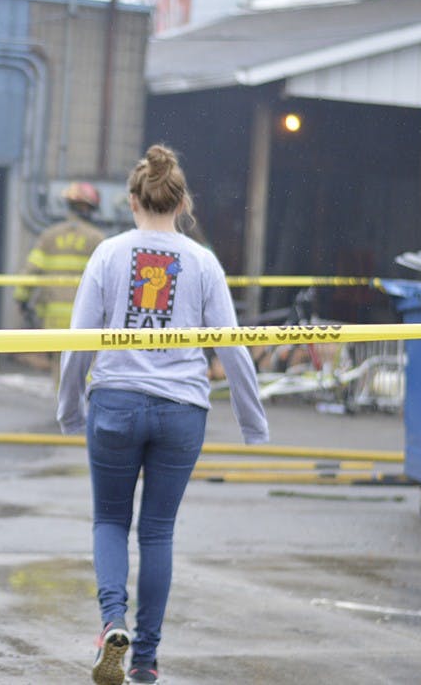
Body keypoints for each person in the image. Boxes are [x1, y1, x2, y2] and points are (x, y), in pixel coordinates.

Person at [57, 144, 268, 685]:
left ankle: (112, 624)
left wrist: (70, 408)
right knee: (157, 533)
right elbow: (233, 345)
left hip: (116, 402)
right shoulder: (202, 262)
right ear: (183, 203)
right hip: (181, 409)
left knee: (109, 519)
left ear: (133, 200)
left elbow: (77, 340)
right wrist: (252, 422)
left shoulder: (108, 254)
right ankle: (146, 658)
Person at [14, 181, 106, 373]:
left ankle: (62, 403)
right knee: (85, 369)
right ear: (90, 208)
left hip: (53, 317)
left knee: (60, 369)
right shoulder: (97, 239)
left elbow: (31, 271)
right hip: (86, 318)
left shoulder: (49, 236)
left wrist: (21, 299)